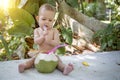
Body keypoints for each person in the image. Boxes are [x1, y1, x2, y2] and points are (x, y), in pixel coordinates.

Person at [18, 3, 73, 75]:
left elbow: (57, 43)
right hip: (40, 54)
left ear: (53, 21)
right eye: (44, 19)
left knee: (58, 61)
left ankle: (64, 68)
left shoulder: (54, 31)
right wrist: (42, 37)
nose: (47, 22)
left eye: (50, 20)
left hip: (51, 54)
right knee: (32, 60)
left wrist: (50, 41)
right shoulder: (37, 31)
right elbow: (36, 42)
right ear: (38, 19)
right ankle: (24, 65)